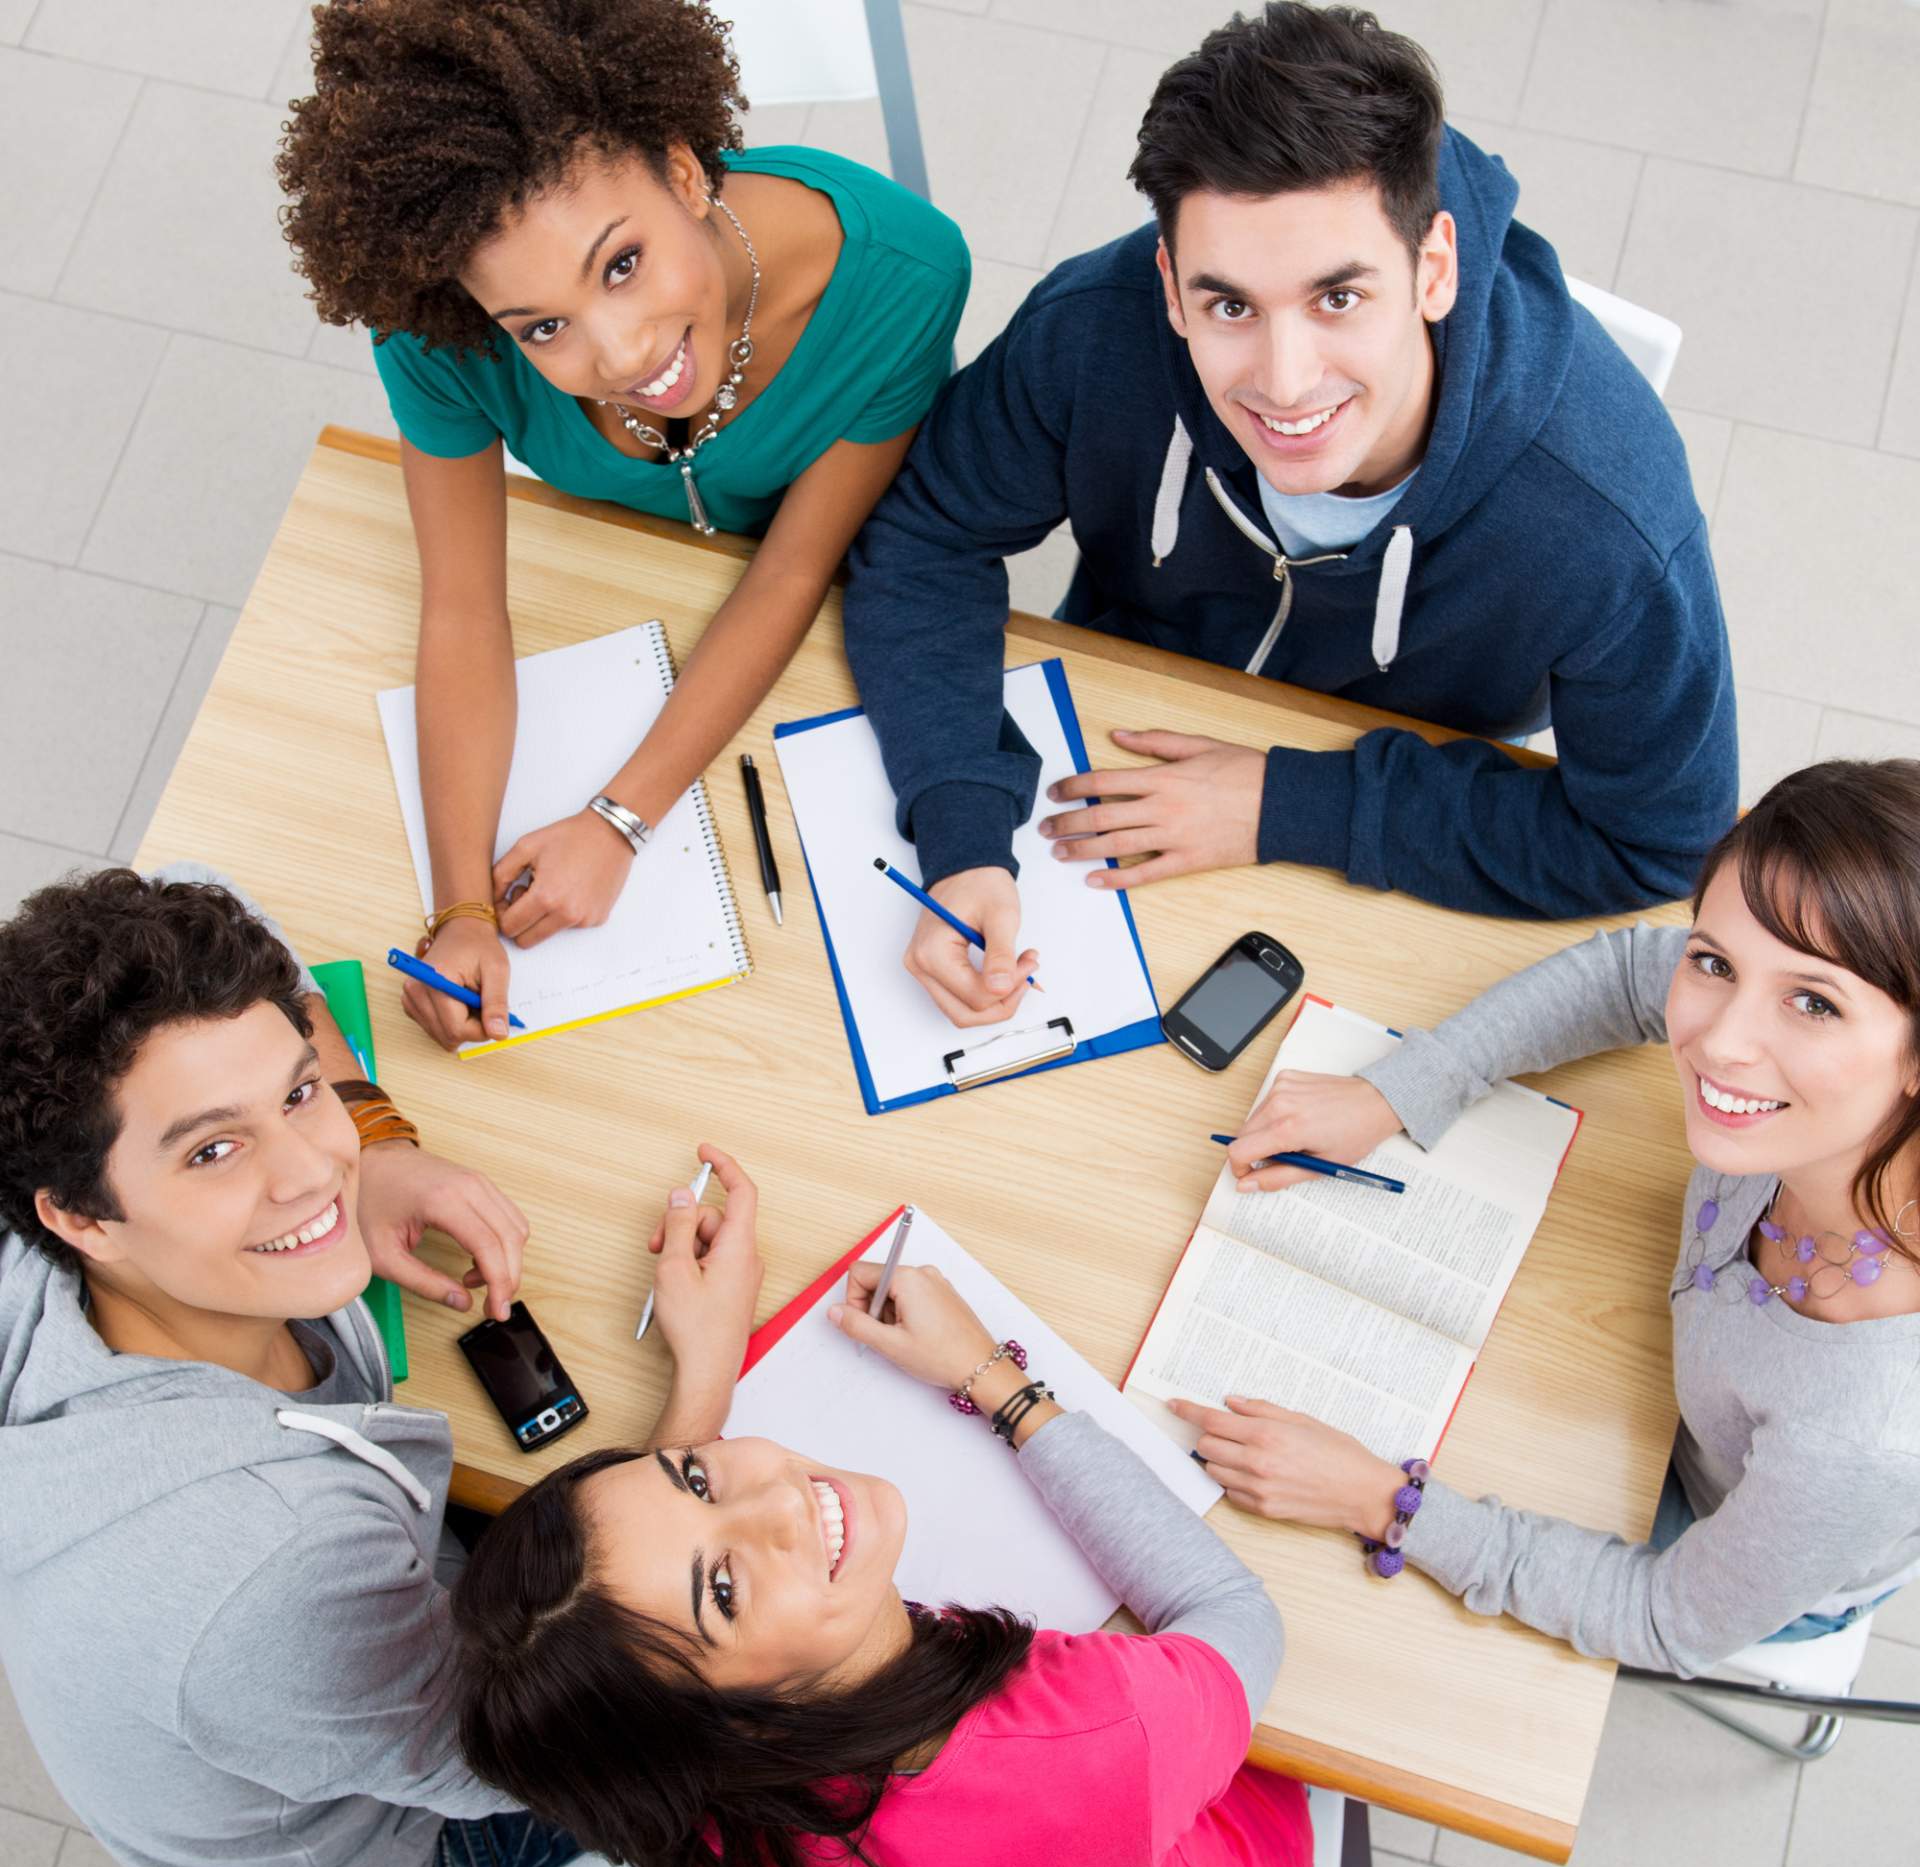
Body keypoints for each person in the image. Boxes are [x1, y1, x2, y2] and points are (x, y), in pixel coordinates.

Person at [841, 1, 1735, 1031]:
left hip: (1404, 816)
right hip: (1116, 761)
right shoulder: (1096, 328)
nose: (1284, 380)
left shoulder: (1606, 518)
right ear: (1171, 287)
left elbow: (1659, 840)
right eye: (1230, 307)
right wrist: (959, 833)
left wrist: (1292, 805)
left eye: (1338, 300)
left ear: (1432, 268)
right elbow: (924, 532)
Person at [0, 866, 765, 1867]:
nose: (313, 1174)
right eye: (215, 1149)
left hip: (320, 1667)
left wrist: (379, 1137)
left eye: (296, 1092)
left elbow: (231, 901)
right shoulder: (271, 1572)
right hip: (404, 1861)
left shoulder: (48, 1230)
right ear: (79, 1218)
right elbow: (530, 1744)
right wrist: (703, 1390)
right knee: (777, 1717)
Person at [276, 0, 970, 1050]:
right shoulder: (436, 334)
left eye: (623, 262)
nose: (622, 351)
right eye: (543, 328)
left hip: (834, 595)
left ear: (687, 174)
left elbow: (790, 576)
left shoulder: (899, 277)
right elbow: (463, 609)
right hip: (621, 575)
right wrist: (462, 908)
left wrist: (619, 819)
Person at [1172, 759, 1920, 1677]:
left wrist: (1382, 1502)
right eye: (1715, 962)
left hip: (1725, 1526)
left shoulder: (1867, 1436)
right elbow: (1625, 973)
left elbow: (1662, 1618)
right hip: (1661, 1379)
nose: (1720, 1041)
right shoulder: (1790, 1081)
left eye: (1813, 1002)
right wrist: (1403, 1088)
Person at [450, 1253, 1313, 1867]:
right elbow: (1236, 1614)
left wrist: (702, 1378)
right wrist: (994, 1381)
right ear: (735, 1722)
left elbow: (632, 1606)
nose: (779, 1501)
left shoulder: (674, 1793)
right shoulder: (1092, 1740)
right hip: (1236, 1847)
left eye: (697, 1478)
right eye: (723, 1590)